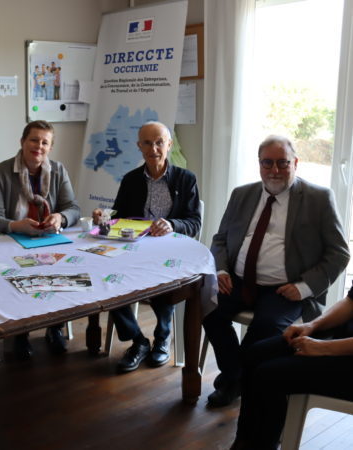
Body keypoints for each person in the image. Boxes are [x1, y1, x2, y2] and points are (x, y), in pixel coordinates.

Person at [204, 135, 349, 407]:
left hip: (285, 288)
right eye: (267, 163)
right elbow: (220, 239)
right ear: (259, 164)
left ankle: (234, 382)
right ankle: (236, 376)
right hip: (236, 280)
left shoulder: (318, 198)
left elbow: (339, 252)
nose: (274, 170)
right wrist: (221, 270)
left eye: (282, 163)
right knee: (206, 306)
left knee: (266, 328)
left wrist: (304, 287)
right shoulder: (242, 194)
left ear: (295, 163)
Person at [91, 121, 201, 373]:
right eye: (148, 143)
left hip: (169, 252)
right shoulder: (131, 179)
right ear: (139, 146)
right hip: (133, 249)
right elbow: (117, 216)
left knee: (162, 278)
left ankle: (162, 339)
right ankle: (138, 341)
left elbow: (194, 222)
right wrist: (103, 217)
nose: (154, 149)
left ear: (169, 145)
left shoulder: (186, 179)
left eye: (159, 142)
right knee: (107, 279)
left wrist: (172, 224)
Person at [0, 120, 80, 359]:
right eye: (34, 140)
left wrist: (60, 217)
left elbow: (73, 208)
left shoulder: (58, 170)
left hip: (47, 239)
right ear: (22, 142)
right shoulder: (2, 171)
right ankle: (20, 333)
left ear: (50, 147)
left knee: (65, 268)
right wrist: (17, 225)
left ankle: (55, 327)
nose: (39, 146)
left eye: (45, 142)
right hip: (11, 241)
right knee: (18, 272)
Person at [231, 287, 353, 449]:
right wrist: (312, 325)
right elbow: (351, 301)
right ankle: (244, 439)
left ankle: (262, 445)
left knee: (270, 375)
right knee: (255, 354)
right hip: (343, 339)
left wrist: (323, 347)